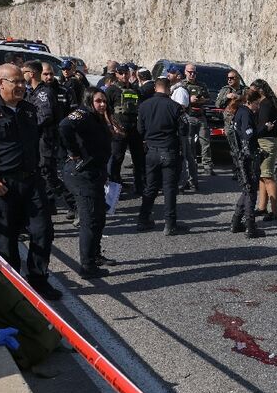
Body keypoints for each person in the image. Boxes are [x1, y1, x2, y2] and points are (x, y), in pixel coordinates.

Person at [0, 64, 61, 300]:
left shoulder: (29, 110)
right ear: (1, 83)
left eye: (23, 81)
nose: (22, 86)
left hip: (32, 182)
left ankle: (38, 279)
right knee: (7, 240)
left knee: (43, 231)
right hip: (2, 187)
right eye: (15, 82)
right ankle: (14, 288)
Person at [59, 87, 120, 278]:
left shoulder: (97, 117)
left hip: (96, 173)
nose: (102, 105)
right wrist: (73, 152)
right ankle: (87, 266)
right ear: (89, 101)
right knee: (89, 221)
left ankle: (95, 255)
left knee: (99, 218)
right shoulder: (83, 114)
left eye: (104, 101)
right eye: (98, 101)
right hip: (82, 174)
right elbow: (64, 126)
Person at [136, 77, 189, 236]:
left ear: (155, 89)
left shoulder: (144, 106)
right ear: (168, 89)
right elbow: (184, 130)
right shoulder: (175, 107)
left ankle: (143, 219)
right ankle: (170, 224)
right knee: (169, 189)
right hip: (169, 150)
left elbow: (140, 130)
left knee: (151, 187)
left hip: (151, 151)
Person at [24, 61, 76, 219]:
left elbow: (45, 117)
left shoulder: (43, 93)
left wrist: (29, 125)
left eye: (24, 72)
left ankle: (75, 204)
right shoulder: (32, 92)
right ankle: (49, 205)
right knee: (42, 174)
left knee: (48, 174)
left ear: (31, 73)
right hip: (39, 140)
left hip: (47, 139)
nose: (22, 75)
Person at [229, 90, 266, 239]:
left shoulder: (240, 111)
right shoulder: (245, 113)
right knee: (250, 191)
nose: (258, 106)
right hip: (246, 157)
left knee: (246, 190)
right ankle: (250, 227)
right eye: (257, 103)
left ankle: (236, 222)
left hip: (241, 156)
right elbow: (248, 135)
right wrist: (264, 129)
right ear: (249, 102)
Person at [106, 65, 145, 195]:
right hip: (118, 131)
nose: (124, 76)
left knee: (139, 160)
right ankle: (114, 191)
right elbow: (106, 110)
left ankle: (140, 186)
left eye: (126, 73)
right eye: (121, 73)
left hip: (134, 130)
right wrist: (112, 126)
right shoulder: (112, 90)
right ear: (116, 74)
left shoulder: (135, 90)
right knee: (116, 160)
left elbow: (140, 108)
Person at [250, 79, 277, 220]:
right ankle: (262, 207)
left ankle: (274, 212)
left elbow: (264, 125)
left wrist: (254, 132)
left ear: (259, 89)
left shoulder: (266, 104)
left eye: (252, 89)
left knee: (268, 176)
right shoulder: (263, 103)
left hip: (267, 142)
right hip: (264, 141)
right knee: (262, 176)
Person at [167, 65, 197, 191]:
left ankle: (186, 182)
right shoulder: (174, 89)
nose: (169, 74)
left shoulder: (180, 91)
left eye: (171, 73)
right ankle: (190, 181)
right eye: (168, 72)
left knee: (185, 155)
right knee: (187, 154)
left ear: (178, 75)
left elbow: (181, 108)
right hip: (180, 126)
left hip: (182, 127)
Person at [183, 63, 214, 176]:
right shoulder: (182, 85)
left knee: (205, 142)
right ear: (185, 72)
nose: (192, 74)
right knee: (190, 142)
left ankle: (207, 166)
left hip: (200, 116)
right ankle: (192, 165)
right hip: (188, 116)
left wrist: (201, 100)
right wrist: (189, 99)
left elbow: (209, 99)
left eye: (194, 72)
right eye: (190, 72)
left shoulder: (202, 85)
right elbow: (176, 99)